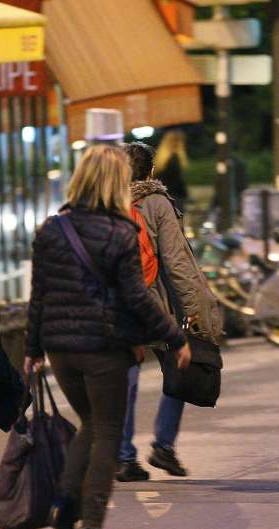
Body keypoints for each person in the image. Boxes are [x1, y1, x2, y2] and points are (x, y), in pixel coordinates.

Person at [24, 145, 191, 529]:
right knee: (107, 432)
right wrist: (175, 337)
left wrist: (32, 348)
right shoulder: (121, 232)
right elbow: (137, 298)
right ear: (116, 183)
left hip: (61, 351)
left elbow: (39, 294)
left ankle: (65, 506)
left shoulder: (51, 229)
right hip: (103, 349)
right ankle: (92, 526)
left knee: (89, 423)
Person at [117, 142, 223, 482]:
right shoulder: (157, 202)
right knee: (180, 364)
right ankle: (163, 445)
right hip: (155, 302)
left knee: (126, 377)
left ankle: (123, 456)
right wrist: (195, 310)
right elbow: (177, 263)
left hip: (116, 302)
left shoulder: (102, 202)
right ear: (151, 171)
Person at [154, 131, 189, 212]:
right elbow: (177, 182)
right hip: (175, 197)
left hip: (161, 197)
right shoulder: (175, 159)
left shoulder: (160, 160)